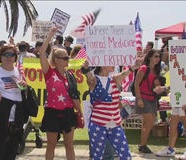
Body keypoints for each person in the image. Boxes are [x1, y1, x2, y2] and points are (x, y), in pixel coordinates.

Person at [38, 27, 83, 160]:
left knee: (69, 144)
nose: (67, 60)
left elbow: (74, 96)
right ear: (56, 59)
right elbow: (41, 53)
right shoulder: (49, 72)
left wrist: (80, 112)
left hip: (68, 112)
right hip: (52, 112)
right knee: (51, 144)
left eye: (68, 57)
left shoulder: (70, 75)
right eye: (64, 58)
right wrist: (50, 36)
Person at [81, 59, 139, 159]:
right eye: (110, 62)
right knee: (97, 156)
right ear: (102, 65)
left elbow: (124, 74)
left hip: (115, 124)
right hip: (98, 124)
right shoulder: (95, 80)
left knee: (125, 154)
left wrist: (134, 66)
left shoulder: (113, 79)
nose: (113, 64)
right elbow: (89, 77)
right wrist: (85, 70)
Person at [0, 44, 26, 160]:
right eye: (6, 54)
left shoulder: (18, 71)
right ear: (0, 56)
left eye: (12, 54)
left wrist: (24, 86)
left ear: (15, 57)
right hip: (0, 116)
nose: (9, 57)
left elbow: (23, 90)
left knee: (12, 151)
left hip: (16, 117)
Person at [134, 49, 163, 153]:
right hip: (143, 97)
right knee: (149, 121)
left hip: (152, 98)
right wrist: (139, 99)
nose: (157, 59)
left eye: (159, 57)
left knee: (148, 122)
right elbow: (136, 84)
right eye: (155, 56)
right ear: (150, 57)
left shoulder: (156, 70)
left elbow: (155, 86)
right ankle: (143, 145)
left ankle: (143, 145)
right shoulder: (143, 68)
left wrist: (160, 88)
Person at [154, 86, 186, 157]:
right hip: (177, 97)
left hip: (183, 97)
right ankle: (170, 150)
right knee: (173, 124)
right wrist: (165, 88)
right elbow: (177, 82)